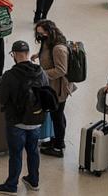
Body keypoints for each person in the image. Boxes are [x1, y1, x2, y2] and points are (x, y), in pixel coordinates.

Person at [0, 40, 48, 194]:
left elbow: (1, 99)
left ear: (14, 55)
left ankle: (11, 185)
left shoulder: (10, 75)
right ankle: (33, 180)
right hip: (36, 122)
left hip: (16, 123)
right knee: (33, 151)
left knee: (16, 154)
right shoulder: (41, 72)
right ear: (28, 53)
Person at [33, 19, 76, 157]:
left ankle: (58, 147)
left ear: (48, 32)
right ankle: (57, 140)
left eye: (41, 33)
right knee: (56, 115)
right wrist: (38, 55)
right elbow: (47, 54)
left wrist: (42, 74)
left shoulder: (58, 48)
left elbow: (61, 70)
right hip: (52, 86)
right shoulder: (49, 41)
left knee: (57, 116)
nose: (39, 36)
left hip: (59, 89)